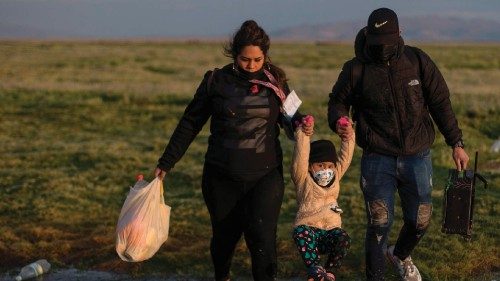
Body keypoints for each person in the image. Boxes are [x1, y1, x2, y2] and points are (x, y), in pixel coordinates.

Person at [154, 20, 312, 281]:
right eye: (245, 59)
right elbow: (190, 123)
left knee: (262, 241)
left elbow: (293, 115)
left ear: (265, 56)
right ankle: (222, 276)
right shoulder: (215, 81)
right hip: (221, 177)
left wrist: (302, 123)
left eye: (257, 60)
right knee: (224, 240)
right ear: (235, 55)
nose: (251, 66)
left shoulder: (277, 82)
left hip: (265, 177)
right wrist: (166, 162)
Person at [327, 7, 470, 281]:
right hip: (377, 156)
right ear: (368, 36)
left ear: (399, 33)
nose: (383, 49)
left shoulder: (416, 60)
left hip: (418, 155)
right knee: (379, 223)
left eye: (388, 42)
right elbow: (337, 102)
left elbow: (441, 103)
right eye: (377, 43)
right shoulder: (356, 69)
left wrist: (456, 143)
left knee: (421, 220)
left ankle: (400, 254)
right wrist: (340, 120)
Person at [291, 115, 355, 281]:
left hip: (330, 230)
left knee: (344, 237)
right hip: (309, 229)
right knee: (300, 232)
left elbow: (345, 157)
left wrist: (348, 136)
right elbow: (301, 156)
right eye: (320, 165)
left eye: (329, 166)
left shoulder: (336, 176)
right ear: (311, 167)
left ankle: (329, 272)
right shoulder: (303, 178)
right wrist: (304, 135)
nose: (325, 170)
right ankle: (315, 269)